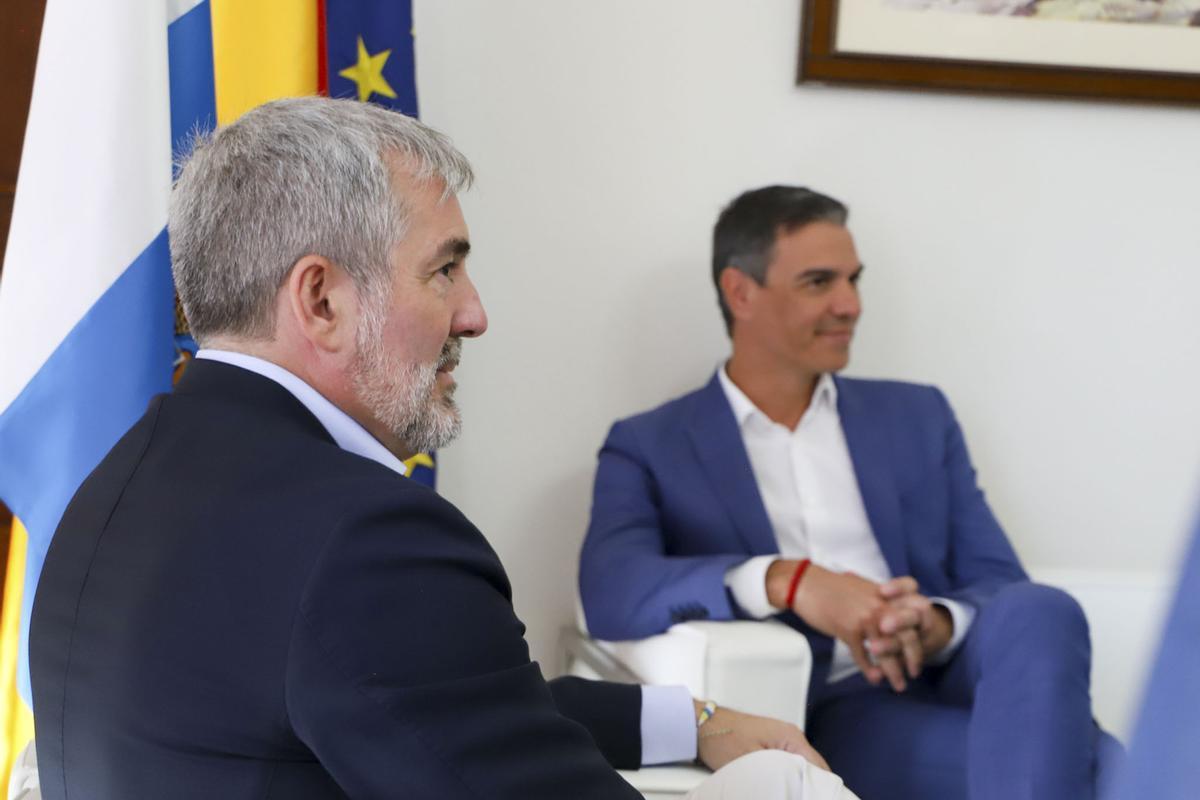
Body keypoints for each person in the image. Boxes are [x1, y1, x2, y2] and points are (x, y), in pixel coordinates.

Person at [28, 99, 855, 800]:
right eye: (444, 271)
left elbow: (432, 695)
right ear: (320, 299)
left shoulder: (120, 477)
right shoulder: (364, 542)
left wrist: (698, 721)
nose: (475, 314)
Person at [579, 185, 1124, 800]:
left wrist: (935, 622)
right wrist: (789, 580)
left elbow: (998, 578)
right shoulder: (653, 444)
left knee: (1042, 607)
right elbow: (611, 587)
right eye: (819, 282)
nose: (851, 304)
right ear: (740, 292)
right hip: (845, 705)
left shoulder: (918, 415)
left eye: (854, 280)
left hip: (955, 672)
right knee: (1115, 774)